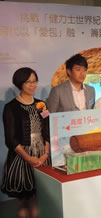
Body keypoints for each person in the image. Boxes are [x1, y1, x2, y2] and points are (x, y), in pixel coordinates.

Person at [1, 67, 51, 218]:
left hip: (42, 155)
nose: (32, 85)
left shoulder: (42, 105)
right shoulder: (11, 107)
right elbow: (11, 139)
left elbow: (47, 130)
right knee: (23, 199)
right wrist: (28, 158)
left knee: (38, 197)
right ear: (20, 83)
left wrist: (45, 154)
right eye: (28, 82)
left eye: (34, 81)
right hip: (21, 158)